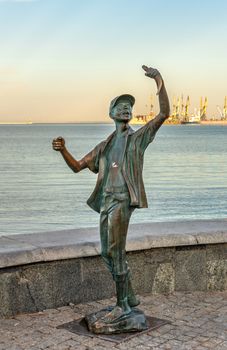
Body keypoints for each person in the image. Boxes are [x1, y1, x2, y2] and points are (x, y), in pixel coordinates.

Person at [52, 65, 170, 323]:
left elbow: (163, 113)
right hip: (106, 201)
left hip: (122, 201)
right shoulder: (104, 145)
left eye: (129, 106)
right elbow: (77, 167)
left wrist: (158, 79)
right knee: (106, 252)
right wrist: (63, 150)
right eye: (120, 106)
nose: (126, 109)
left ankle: (122, 307)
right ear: (111, 113)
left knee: (116, 251)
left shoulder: (137, 139)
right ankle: (128, 297)